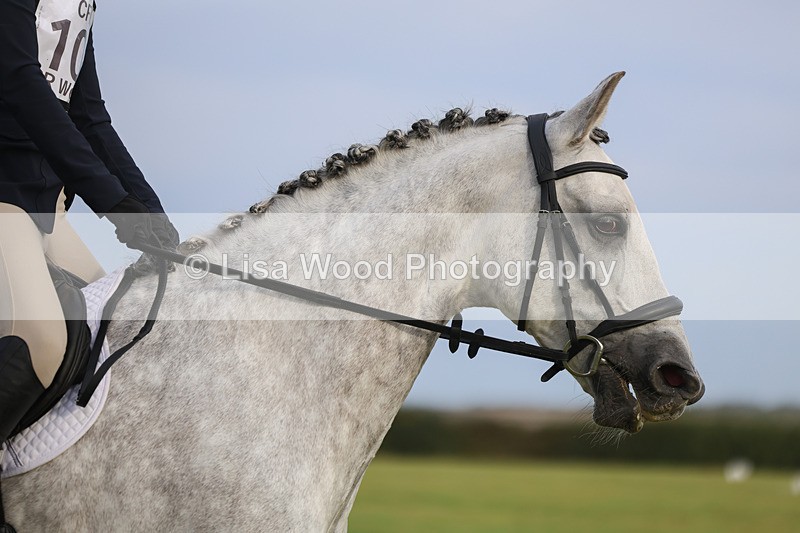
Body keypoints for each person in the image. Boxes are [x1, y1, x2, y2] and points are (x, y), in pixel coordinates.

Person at [0, 0, 179, 445]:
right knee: (42, 342)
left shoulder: (80, 5)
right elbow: (22, 84)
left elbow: (88, 117)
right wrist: (113, 204)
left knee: (110, 326)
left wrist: (151, 214)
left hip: (40, 205)